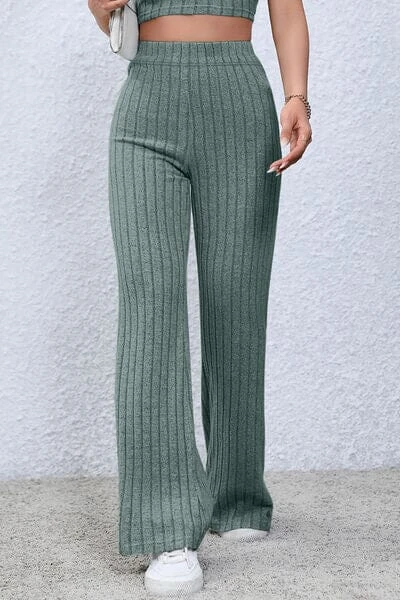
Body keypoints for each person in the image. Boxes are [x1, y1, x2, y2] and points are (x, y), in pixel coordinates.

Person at [88, 0, 312, 595]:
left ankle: (236, 494)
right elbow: (109, 19)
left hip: (239, 98)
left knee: (237, 300)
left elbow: (287, 9)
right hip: (147, 103)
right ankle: (167, 527)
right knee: (150, 310)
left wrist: (297, 97)